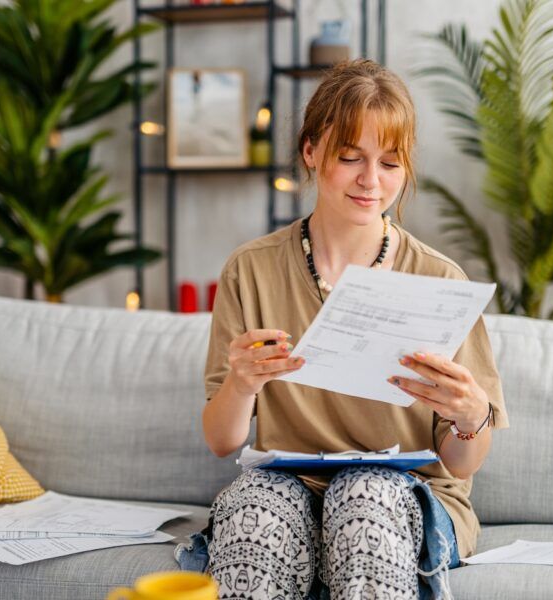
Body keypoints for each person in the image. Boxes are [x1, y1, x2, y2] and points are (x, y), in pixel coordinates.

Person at [183, 59, 509, 600]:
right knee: (249, 508)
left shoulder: (438, 279)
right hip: (291, 488)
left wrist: (471, 418)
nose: (370, 181)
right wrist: (242, 384)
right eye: (350, 157)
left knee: (363, 496)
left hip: (410, 495)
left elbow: (460, 463)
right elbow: (223, 442)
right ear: (311, 152)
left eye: (389, 163)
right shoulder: (252, 269)